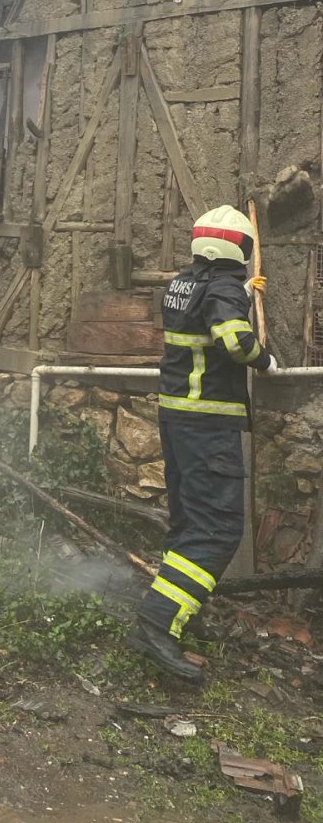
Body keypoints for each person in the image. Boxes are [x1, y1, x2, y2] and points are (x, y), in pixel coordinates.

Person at [128, 205, 278, 683]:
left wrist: (240, 295)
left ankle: (176, 614)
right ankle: (155, 624)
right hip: (209, 424)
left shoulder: (181, 283)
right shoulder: (223, 288)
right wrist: (265, 359)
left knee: (189, 524)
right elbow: (234, 342)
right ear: (240, 248)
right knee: (216, 531)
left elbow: (201, 316)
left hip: (177, 420)